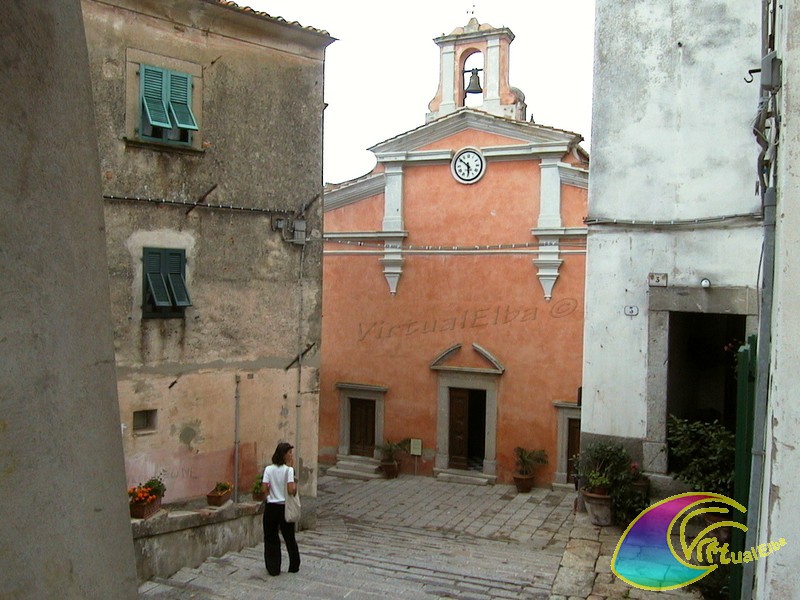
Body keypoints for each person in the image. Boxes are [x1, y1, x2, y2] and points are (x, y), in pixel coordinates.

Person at [262, 442, 300, 576]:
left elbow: (264, 488)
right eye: (289, 452)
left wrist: (270, 496)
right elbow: (291, 490)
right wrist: (295, 483)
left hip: (271, 506)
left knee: (271, 537)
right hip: (284, 507)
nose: (291, 455)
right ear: (284, 455)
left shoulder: (268, 469)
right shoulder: (289, 470)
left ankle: (273, 567)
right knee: (289, 537)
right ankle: (294, 566)